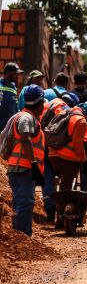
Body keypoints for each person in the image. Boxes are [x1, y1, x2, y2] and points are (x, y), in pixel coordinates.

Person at [3, 85, 46, 236]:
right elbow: (26, 139)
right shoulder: (26, 118)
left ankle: (17, 236)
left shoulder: (24, 116)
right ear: (39, 103)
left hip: (19, 167)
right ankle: (23, 236)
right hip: (23, 168)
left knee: (19, 203)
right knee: (26, 202)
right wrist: (34, 165)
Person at [48, 99, 87, 200]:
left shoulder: (65, 112)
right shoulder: (81, 120)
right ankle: (62, 212)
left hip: (52, 156)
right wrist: (83, 157)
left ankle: (52, 207)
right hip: (67, 160)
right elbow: (78, 145)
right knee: (65, 190)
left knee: (51, 185)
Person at [0, 62, 21, 130]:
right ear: (8, 73)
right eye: (15, 74)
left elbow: (15, 106)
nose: (17, 76)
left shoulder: (13, 87)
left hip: (9, 129)